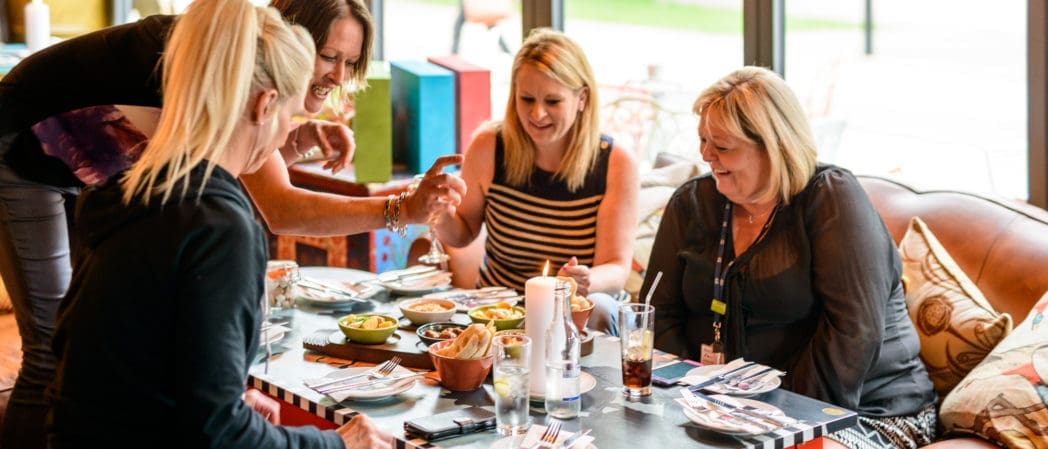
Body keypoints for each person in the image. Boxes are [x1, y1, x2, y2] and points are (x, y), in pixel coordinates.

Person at [0, 0, 464, 447]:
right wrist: (400, 210)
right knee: (44, 352)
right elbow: (280, 207)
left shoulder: (138, 194)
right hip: (21, 146)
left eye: (350, 62)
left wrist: (295, 131)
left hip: (87, 169)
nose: (338, 76)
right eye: (326, 56)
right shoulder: (211, 76)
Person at [642, 66, 937, 449]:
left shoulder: (831, 199)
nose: (706, 154)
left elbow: (853, 334)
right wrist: (691, 396)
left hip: (864, 411)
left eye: (723, 145)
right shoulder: (693, 203)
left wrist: (780, 421)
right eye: (702, 140)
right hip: (729, 409)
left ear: (773, 144)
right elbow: (657, 312)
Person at [436, 28, 638, 334]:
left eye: (553, 101)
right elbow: (462, 233)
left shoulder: (615, 162)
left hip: (574, 311)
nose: (537, 113)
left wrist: (584, 279)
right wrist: (437, 213)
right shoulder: (490, 146)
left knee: (599, 305)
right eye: (526, 99)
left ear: (581, 98)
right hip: (502, 310)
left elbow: (616, 268)